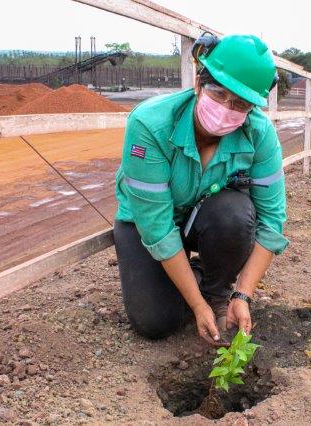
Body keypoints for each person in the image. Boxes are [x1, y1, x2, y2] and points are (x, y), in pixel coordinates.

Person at [113, 33, 288, 347]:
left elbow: (272, 223)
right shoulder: (150, 125)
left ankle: (217, 294)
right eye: (218, 93)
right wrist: (195, 305)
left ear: (252, 107)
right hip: (146, 223)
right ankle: (193, 282)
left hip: (203, 217)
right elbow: (156, 227)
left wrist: (242, 295)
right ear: (198, 83)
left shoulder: (259, 134)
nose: (225, 108)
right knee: (155, 323)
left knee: (234, 213)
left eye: (240, 103)